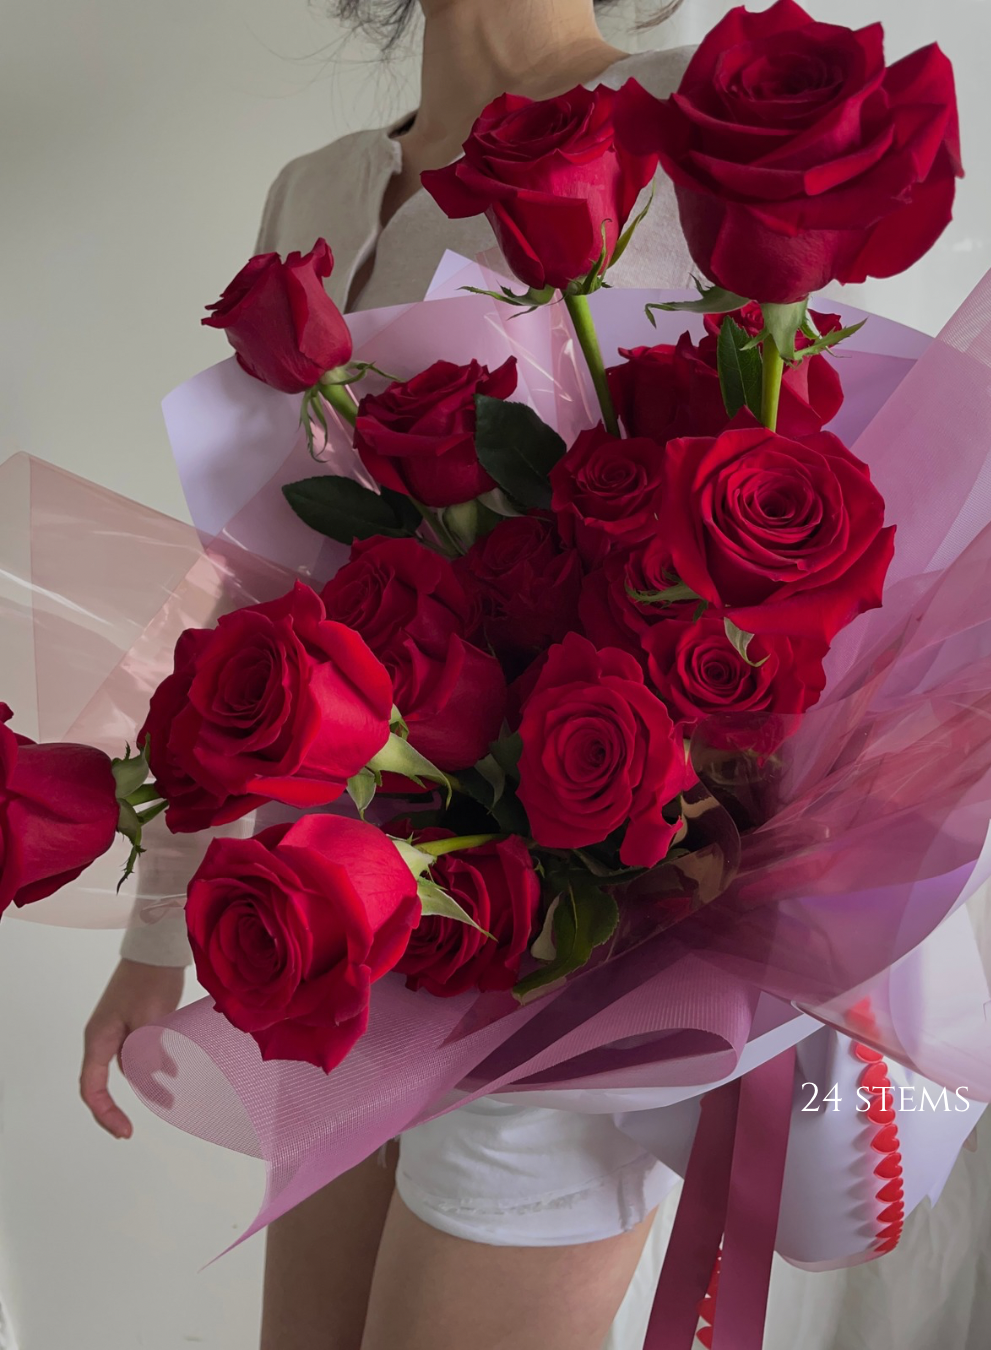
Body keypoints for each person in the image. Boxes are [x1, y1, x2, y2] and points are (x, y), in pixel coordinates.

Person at [80, 4, 700, 1349]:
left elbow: (791, 525)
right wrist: (156, 931)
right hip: (358, 914)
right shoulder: (316, 192)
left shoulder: (689, 114)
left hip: (577, 939)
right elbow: (255, 593)